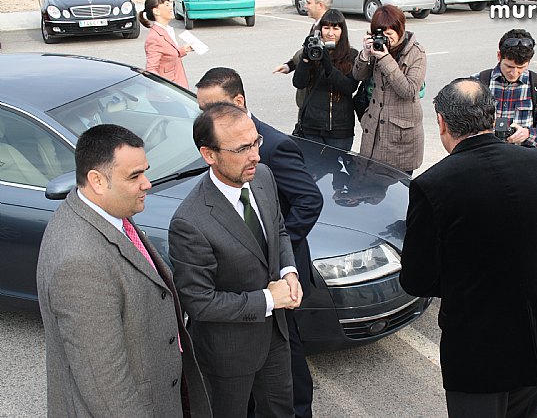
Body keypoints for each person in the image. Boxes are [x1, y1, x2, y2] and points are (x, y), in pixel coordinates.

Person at [400, 78, 537, 418]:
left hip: (480, 352)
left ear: (441, 122)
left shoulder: (432, 185)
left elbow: (417, 280)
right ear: (492, 118)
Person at [36, 124, 211, 417]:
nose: (147, 184)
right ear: (97, 181)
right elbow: (105, 387)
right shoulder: (80, 263)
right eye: (134, 176)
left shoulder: (108, 211)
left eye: (145, 172)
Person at [195, 67, 323, 418]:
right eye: (201, 108)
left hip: (278, 278)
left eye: (212, 107)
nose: (205, 116)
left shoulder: (273, 152)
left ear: (238, 101)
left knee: (288, 356)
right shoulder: (217, 144)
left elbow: (307, 202)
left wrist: (279, 260)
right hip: (249, 290)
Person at [169, 102, 302, 418]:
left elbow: (278, 229)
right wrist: (269, 299)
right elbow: (199, 303)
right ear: (209, 155)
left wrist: (289, 272)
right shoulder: (190, 222)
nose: (255, 156)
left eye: (256, 142)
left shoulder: (262, 177)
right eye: (242, 149)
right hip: (227, 354)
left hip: (275, 337)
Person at [352, 4, 427, 173]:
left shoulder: (416, 53)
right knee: (369, 180)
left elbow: (409, 90)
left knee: (397, 185)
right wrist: (365, 54)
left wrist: (385, 58)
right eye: (380, 34)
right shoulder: (376, 47)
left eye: (389, 34)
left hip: (401, 137)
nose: (385, 39)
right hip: (374, 128)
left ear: (400, 29)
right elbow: (358, 75)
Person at [473, 29, 537, 147]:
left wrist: (527, 134)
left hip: (521, 155)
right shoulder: (477, 83)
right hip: (484, 153)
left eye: (521, 67)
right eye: (509, 66)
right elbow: (457, 129)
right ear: (499, 56)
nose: (514, 73)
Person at [292, 9, 358, 151]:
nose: (330, 33)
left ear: (342, 31)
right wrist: (306, 58)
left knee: (337, 165)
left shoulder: (351, 55)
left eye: (336, 28)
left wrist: (327, 65)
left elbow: (349, 87)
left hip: (340, 130)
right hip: (311, 127)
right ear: (320, 30)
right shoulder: (313, 52)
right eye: (326, 27)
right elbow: (298, 82)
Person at [273, 0, 333, 75]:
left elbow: (308, 52)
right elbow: (306, 50)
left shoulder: (328, 30)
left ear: (320, 5)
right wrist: (289, 66)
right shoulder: (318, 24)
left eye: (308, 3)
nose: (305, 6)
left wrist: (290, 65)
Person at [139, 0, 192, 89]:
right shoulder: (154, 38)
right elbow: (151, 70)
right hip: (169, 91)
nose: (171, 8)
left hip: (178, 85)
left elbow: (167, 54)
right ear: (156, 11)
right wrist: (164, 89)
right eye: (167, 5)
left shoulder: (168, 30)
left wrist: (183, 50)